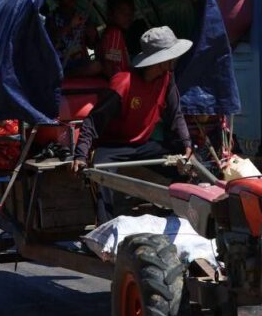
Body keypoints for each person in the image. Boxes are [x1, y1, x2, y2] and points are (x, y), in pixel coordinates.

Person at [72, 26, 194, 222]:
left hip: (143, 145)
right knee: (101, 172)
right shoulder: (124, 82)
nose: (176, 59)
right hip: (113, 147)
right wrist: (81, 154)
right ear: (161, 60)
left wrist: (187, 144)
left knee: (189, 165)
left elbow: (175, 114)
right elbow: (93, 120)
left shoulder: (166, 77)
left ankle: (176, 217)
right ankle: (105, 227)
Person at [46, 0, 100, 77]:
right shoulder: (52, 18)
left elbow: (91, 46)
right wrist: (70, 26)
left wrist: (92, 36)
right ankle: (64, 75)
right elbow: (52, 41)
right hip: (61, 63)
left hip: (80, 61)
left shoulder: (83, 17)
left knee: (97, 66)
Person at [97, 0, 136, 78]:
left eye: (130, 13)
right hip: (119, 79)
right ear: (111, 14)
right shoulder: (115, 33)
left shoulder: (109, 33)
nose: (128, 17)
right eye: (122, 12)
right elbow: (109, 64)